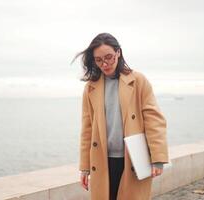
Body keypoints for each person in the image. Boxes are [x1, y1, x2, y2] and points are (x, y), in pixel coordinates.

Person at [72, 33, 169, 200]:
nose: (105, 63)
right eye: (99, 60)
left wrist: (158, 158)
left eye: (109, 57)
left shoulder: (138, 80)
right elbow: (87, 129)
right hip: (102, 160)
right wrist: (85, 167)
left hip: (132, 159)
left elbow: (154, 120)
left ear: (118, 52)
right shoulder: (90, 88)